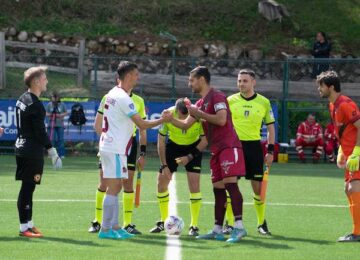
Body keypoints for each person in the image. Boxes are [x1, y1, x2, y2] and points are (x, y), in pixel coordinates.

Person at [169, 66, 247, 243]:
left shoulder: (217, 96)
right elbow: (186, 125)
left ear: (202, 79)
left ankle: (239, 227)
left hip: (229, 146)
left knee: (230, 186)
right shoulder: (199, 103)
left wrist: (199, 113)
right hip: (216, 150)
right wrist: (169, 119)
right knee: (218, 188)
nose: (190, 84)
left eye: (192, 80)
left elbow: (221, 120)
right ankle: (217, 229)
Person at [97, 61, 171, 240]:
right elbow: (142, 124)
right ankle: (106, 230)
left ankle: (114, 227)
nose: (138, 78)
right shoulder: (123, 98)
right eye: (136, 74)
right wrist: (163, 120)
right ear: (129, 76)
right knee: (113, 189)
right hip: (115, 148)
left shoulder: (112, 94)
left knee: (115, 188)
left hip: (112, 146)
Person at [88, 91, 147, 235]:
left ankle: (127, 224)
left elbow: (142, 129)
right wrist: (104, 143)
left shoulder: (139, 101)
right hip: (111, 143)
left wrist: (142, 153)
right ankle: (98, 221)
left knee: (127, 184)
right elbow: (97, 124)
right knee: (104, 183)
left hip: (129, 145)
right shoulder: (108, 97)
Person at [15, 66, 62, 238]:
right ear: (36, 81)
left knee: (29, 187)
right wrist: (52, 151)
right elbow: (40, 132)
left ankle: (29, 223)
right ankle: (23, 228)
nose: (46, 81)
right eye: (44, 78)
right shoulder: (36, 104)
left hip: (22, 147)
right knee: (28, 188)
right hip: (31, 151)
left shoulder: (23, 98)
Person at [227, 69, 275, 235]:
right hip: (234, 147)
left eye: (245, 81)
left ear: (253, 82)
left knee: (257, 188)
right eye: (239, 81)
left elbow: (270, 128)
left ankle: (261, 223)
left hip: (254, 147)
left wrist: (270, 151)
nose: (241, 84)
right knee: (231, 185)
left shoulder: (264, 102)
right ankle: (229, 223)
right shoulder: (230, 101)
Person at [149, 98, 207, 236]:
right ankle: (163, 222)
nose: (183, 122)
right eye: (181, 117)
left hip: (193, 147)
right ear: (176, 111)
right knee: (161, 183)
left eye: (186, 118)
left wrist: (190, 157)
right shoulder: (168, 114)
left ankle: (194, 226)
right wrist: (164, 165)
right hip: (173, 147)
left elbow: (205, 140)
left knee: (194, 185)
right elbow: (161, 140)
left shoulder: (197, 114)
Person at [317, 70, 360, 242]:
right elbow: (344, 130)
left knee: (353, 189)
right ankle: (357, 231)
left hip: (357, 154)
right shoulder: (332, 105)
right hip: (350, 154)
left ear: (331, 87)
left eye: (321, 86)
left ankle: (357, 233)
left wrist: (357, 151)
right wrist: (342, 150)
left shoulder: (344, 104)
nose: (318, 89)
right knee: (348, 190)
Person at [46, 92, 67, 158]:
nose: (54, 98)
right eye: (53, 97)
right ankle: (51, 154)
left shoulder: (62, 104)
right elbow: (46, 113)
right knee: (51, 139)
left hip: (60, 124)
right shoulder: (49, 104)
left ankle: (61, 154)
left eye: (56, 97)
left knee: (60, 139)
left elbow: (66, 112)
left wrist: (60, 115)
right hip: (51, 124)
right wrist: (51, 115)